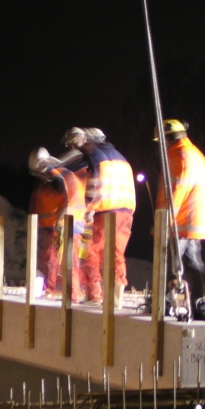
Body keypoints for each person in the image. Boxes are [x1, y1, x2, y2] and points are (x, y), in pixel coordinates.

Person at [64, 127, 136, 308]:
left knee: (91, 252)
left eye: (76, 143)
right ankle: (116, 300)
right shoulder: (120, 157)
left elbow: (97, 181)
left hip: (106, 211)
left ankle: (96, 296)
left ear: (87, 140)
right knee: (116, 255)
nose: (76, 148)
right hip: (126, 211)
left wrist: (90, 207)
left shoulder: (95, 154)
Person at [154, 119, 205, 297]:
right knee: (193, 262)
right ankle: (198, 301)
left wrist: (164, 222)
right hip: (192, 220)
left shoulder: (179, 156)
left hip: (179, 221)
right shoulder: (194, 153)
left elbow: (175, 193)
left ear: (168, 138)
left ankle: (167, 302)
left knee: (172, 265)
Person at [28, 148, 86, 301]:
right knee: (59, 259)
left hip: (67, 223)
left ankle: (71, 294)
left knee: (65, 260)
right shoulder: (63, 174)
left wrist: (60, 221)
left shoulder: (57, 177)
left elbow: (68, 200)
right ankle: (58, 291)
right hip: (70, 222)